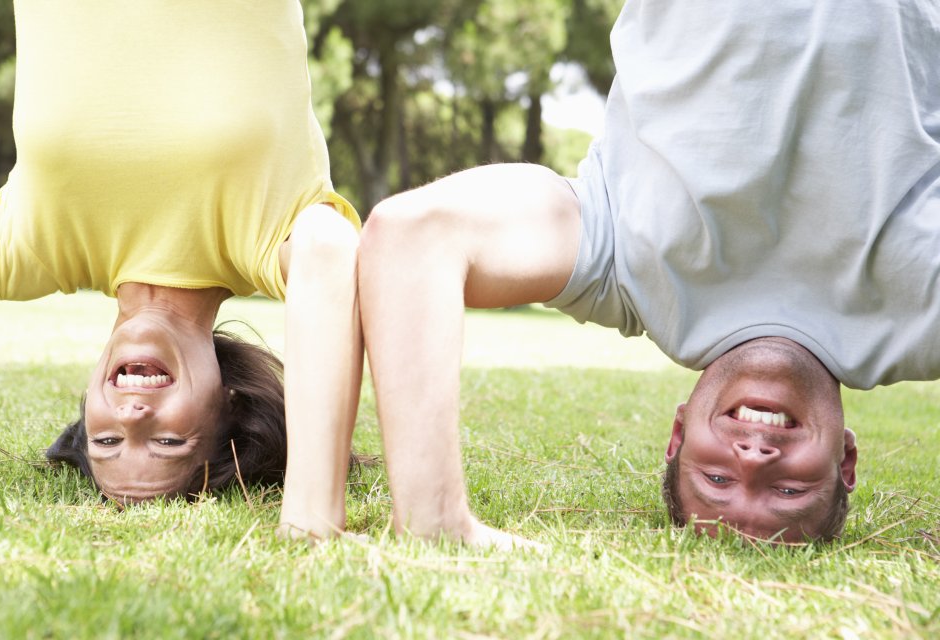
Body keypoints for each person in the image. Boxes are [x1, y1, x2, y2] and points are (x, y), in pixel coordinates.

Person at [358, 0, 939, 546]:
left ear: (680, 436)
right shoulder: (922, 319)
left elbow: (413, 234)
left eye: (716, 479)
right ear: (845, 461)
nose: (754, 460)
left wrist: (432, 518)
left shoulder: (626, 273)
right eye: (788, 491)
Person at [0, 1, 362, 541]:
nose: (132, 417)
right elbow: (334, 252)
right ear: (228, 405)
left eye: (106, 440)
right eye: (168, 442)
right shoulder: (262, 244)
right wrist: (312, 517)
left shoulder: (36, 253)